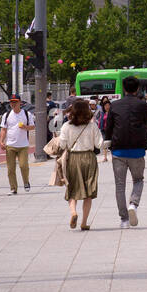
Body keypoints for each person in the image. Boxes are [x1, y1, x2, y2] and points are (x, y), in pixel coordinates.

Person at [105, 74, 147, 228]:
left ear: (124, 88)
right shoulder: (142, 105)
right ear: (137, 88)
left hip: (119, 150)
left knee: (120, 185)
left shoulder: (115, 105)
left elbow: (109, 127)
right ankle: (133, 204)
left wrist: (108, 142)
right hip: (137, 150)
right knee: (138, 180)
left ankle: (124, 219)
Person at [60, 98, 103, 231]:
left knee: (72, 188)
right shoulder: (92, 126)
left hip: (73, 158)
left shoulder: (66, 126)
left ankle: (73, 212)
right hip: (89, 158)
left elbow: (62, 145)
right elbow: (99, 144)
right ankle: (84, 222)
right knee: (88, 192)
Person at [0, 95, 36, 194]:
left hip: (23, 145)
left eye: (15, 101)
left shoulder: (26, 114)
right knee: (10, 169)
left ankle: (26, 182)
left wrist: (25, 127)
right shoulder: (6, 115)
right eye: (12, 102)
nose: (13, 104)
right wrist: (1, 141)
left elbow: (33, 127)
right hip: (10, 145)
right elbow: (3, 129)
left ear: (20, 102)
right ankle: (13, 188)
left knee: (23, 166)